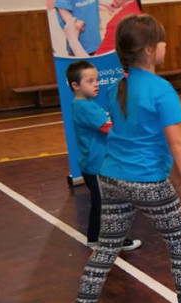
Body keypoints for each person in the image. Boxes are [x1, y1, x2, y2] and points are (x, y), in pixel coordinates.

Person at [65, 14, 181, 303]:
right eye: (163, 42)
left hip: (111, 179)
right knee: (180, 244)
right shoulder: (161, 89)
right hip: (148, 182)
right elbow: (178, 143)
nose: (166, 46)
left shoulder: (115, 87)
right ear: (150, 50)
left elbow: (134, 132)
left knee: (105, 250)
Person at [66, 60, 142, 252]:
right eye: (90, 81)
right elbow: (108, 128)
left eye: (97, 80)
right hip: (97, 166)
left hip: (97, 164)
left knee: (105, 203)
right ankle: (106, 240)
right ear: (75, 86)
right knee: (106, 206)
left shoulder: (84, 105)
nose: (96, 84)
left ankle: (102, 238)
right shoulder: (85, 107)